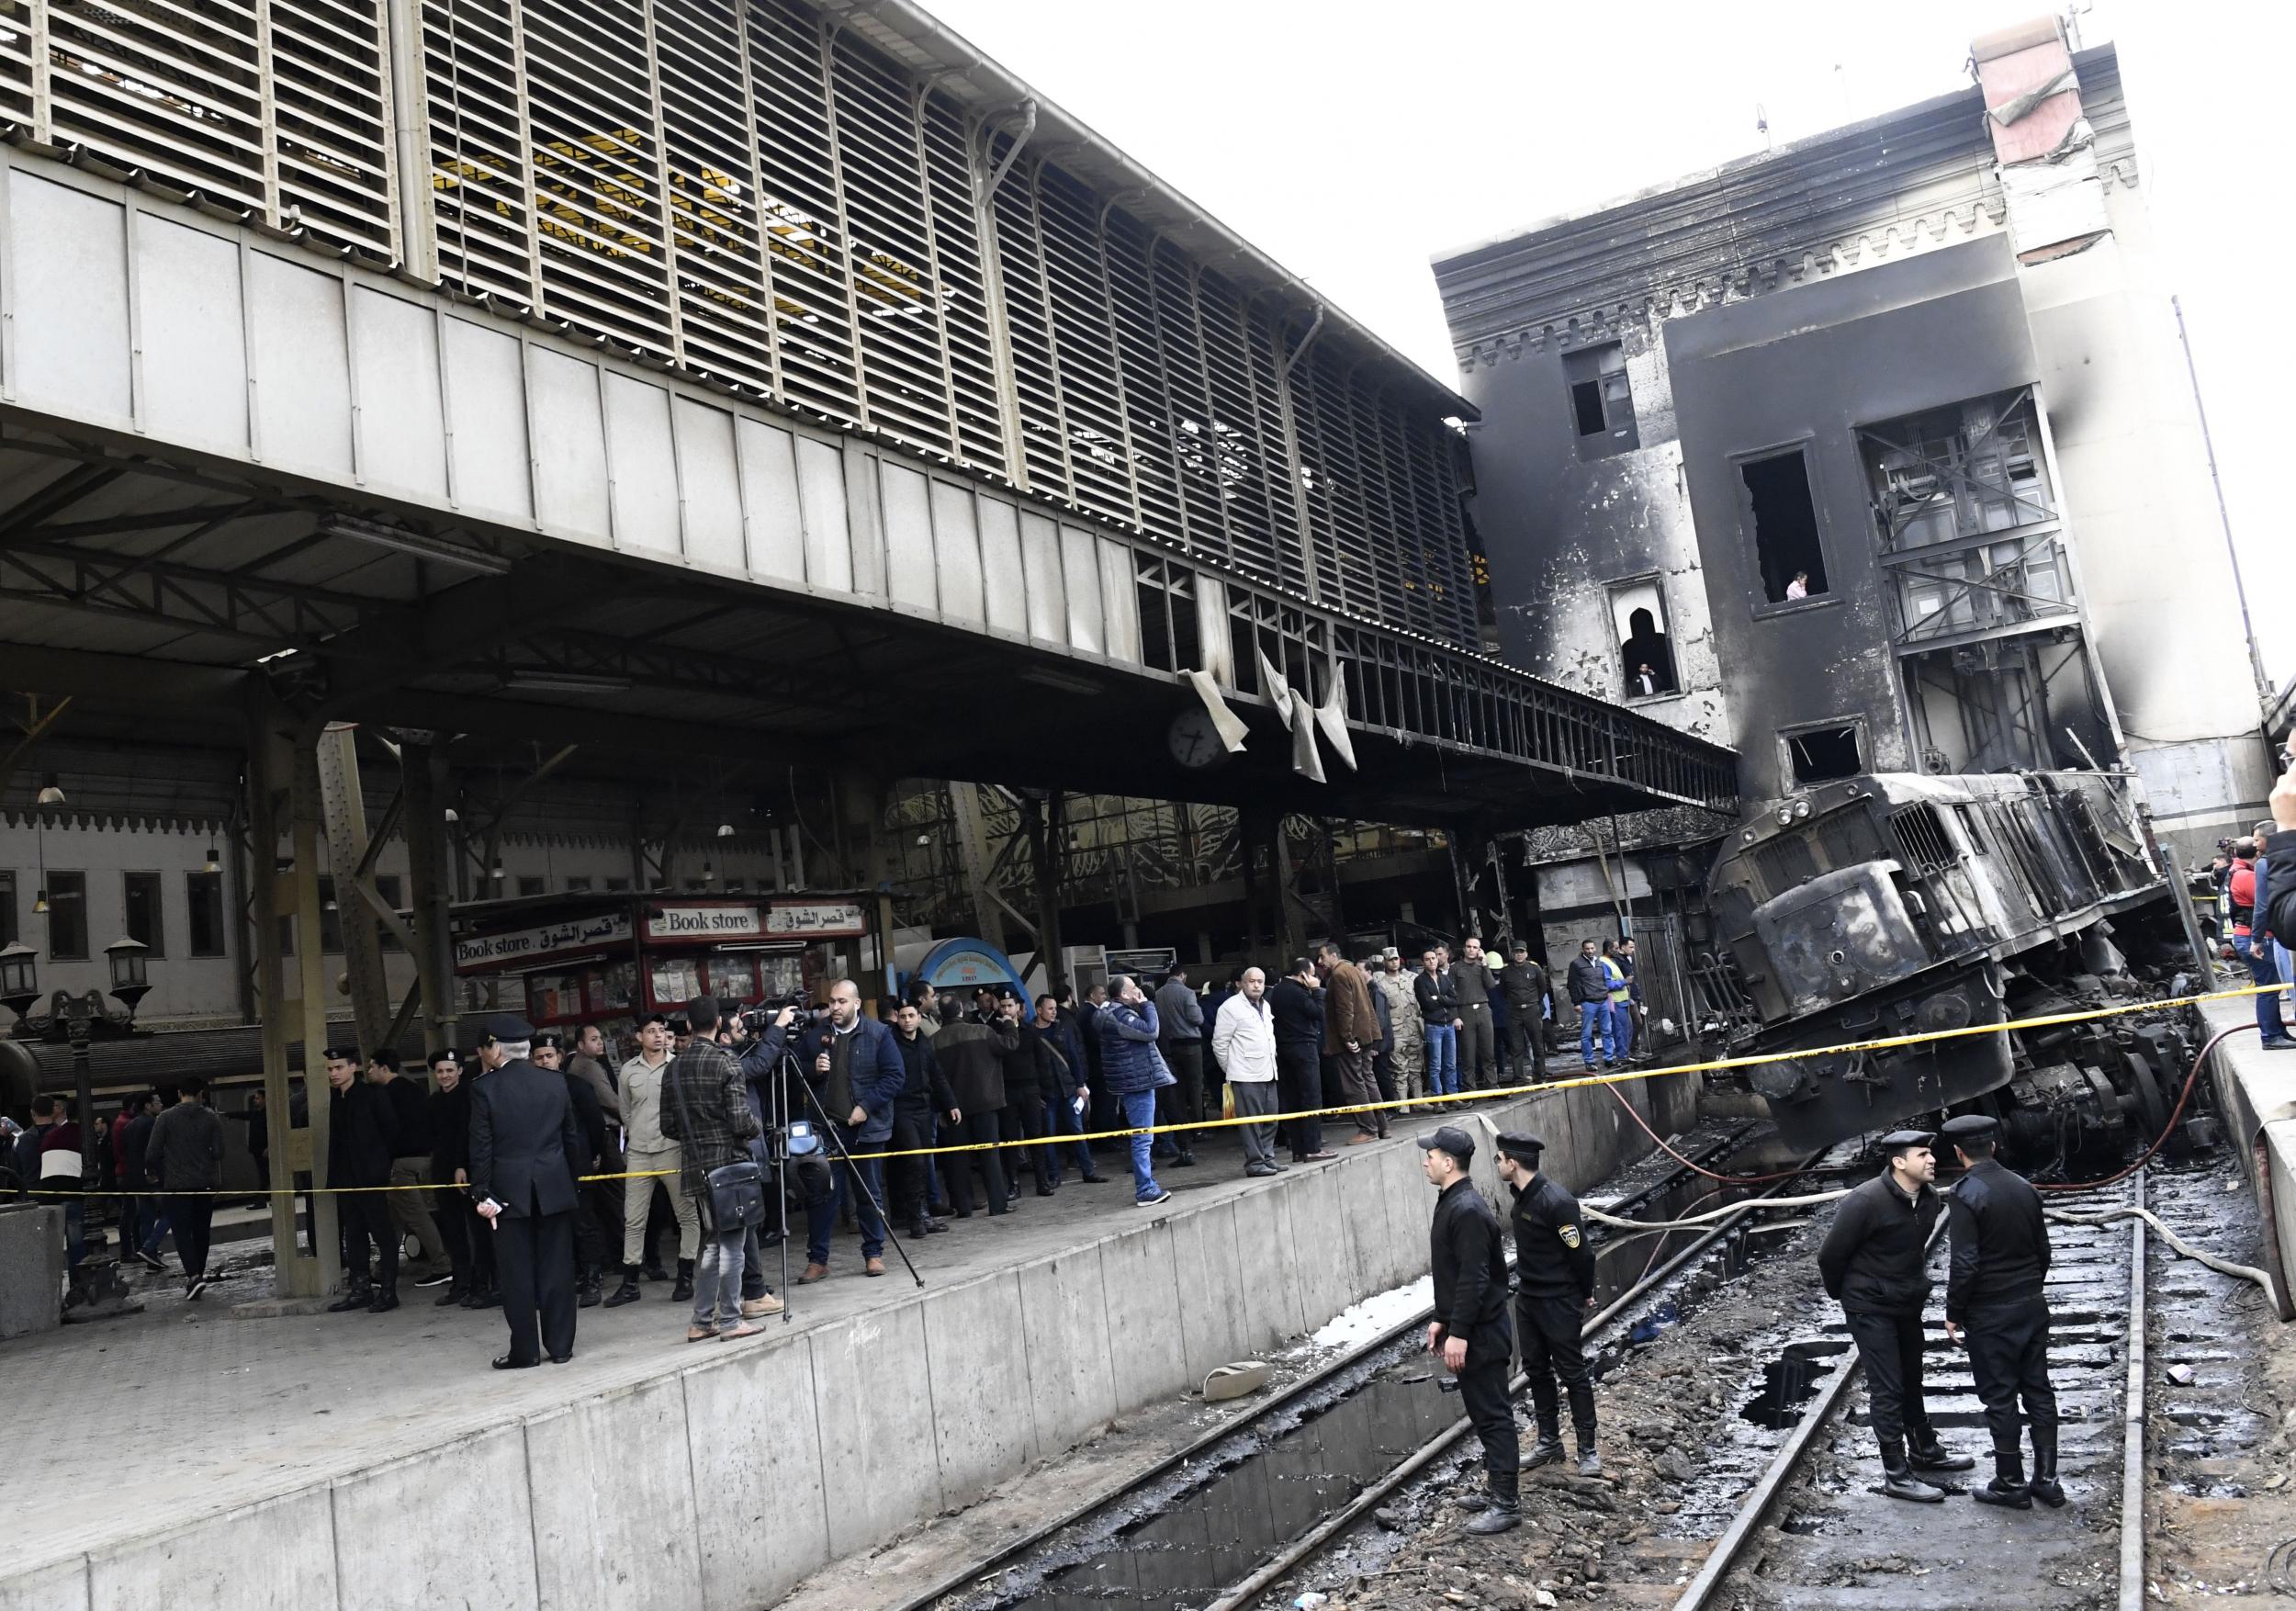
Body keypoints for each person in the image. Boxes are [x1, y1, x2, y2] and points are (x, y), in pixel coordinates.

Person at [1816, 1130, 1974, 1502]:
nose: (1932, 1160)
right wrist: (1849, 1296)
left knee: (1912, 1377)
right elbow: (1830, 1256)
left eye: (1931, 1153)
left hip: (1905, 1301)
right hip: (1869, 1305)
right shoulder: (1865, 1201)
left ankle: (1924, 1450)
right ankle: (1896, 1474)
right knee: (1888, 1388)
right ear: (1899, 1162)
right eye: (1923, 1154)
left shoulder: (1930, 1199)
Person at [1941, 1112, 2061, 1509]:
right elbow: (2043, 1250)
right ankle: (2047, 1480)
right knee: (2039, 1390)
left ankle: (2011, 1482)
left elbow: (1965, 1263)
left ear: (1960, 1153)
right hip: (2030, 1304)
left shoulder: (1964, 1193)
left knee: (2000, 1398)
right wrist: (2030, 1288)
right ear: (1992, 1146)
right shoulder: (2025, 1187)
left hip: (1990, 1313)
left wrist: (1954, 1311)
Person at [467, 1014, 583, 1368]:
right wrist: (571, 1183)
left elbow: (481, 1147)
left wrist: (480, 1193)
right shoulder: (556, 1083)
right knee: (558, 1269)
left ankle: (526, 1351)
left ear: (495, 1049)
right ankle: (561, 1346)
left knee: (516, 1275)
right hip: (554, 1186)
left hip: (508, 1193)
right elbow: (571, 1139)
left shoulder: (484, 1088)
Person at [1420, 1125, 1519, 1533]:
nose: (1425, 1161)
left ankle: (1507, 1503)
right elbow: (1455, 1273)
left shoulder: (1467, 1210)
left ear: (1449, 1163)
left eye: (1431, 1155)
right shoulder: (1453, 1202)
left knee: (1494, 1415)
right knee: (1483, 1413)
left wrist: (1458, 1332)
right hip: (1471, 1327)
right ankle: (1498, 1489)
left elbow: (1475, 1278)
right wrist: (1443, 1317)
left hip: (1482, 1332)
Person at [1491, 1132, 1600, 1476]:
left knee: (1572, 1372)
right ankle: (1549, 1442)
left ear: (1513, 1162)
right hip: (1530, 1299)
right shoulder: (1521, 1198)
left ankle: (1588, 1449)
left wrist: (1584, 1292)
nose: (1496, 1165)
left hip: (1558, 1300)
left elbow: (1581, 1253)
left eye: (1499, 1159)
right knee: (1536, 1370)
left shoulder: (1557, 1201)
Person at [796, 979, 906, 1281]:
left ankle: (874, 1253)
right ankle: (818, 1260)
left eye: (842, 1001)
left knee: (868, 1192)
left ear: (856, 1004)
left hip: (866, 1128)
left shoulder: (879, 1033)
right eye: (832, 1001)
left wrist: (866, 1107)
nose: (835, 1007)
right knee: (822, 1195)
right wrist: (811, 1070)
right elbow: (794, 1069)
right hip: (827, 1128)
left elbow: (895, 1076)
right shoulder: (816, 1035)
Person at [611, 1012, 699, 1304]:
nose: (658, 1035)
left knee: (686, 1215)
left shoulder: (678, 1065)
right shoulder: (627, 1071)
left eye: (661, 1030)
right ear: (639, 1037)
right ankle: (630, 1283)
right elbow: (625, 1112)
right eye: (651, 1031)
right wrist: (634, 1137)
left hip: (672, 1149)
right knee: (634, 1220)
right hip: (638, 1153)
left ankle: (685, 1278)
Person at [324, 1047, 400, 1314]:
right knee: (354, 1234)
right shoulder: (337, 1099)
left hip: (370, 1178)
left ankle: (388, 1291)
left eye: (339, 1068)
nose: (334, 1073)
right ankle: (361, 1289)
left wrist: (380, 1168)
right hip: (346, 1179)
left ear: (353, 1067)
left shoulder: (373, 1095)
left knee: (382, 1233)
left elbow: (391, 1132)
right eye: (331, 1069)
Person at [367, 1051, 448, 1287]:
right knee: (395, 1218)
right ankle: (385, 1269)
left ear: (384, 1069)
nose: (369, 1070)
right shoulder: (413, 1089)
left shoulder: (386, 1094)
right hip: (422, 1158)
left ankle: (442, 1265)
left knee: (415, 1215)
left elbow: (387, 1130)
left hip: (400, 1162)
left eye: (372, 1066)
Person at [933, 999, 1018, 1216]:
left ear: (941, 1015)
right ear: (961, 1010)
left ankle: (963, 1207)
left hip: (953, 1108)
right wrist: (1009, 1022)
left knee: (958, 1158)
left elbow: (931, 1078)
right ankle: (998, 1204)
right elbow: (1009, 1044)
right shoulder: (983, 1031)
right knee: (990, 1155)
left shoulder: (933, 1041)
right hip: (985, 1102)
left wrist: (939, 1108)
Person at [423, 1049, 492, 1309]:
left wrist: (462, 1165)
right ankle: (460, 1283)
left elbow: (469, 1134)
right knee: (452, 1230)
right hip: (442, 1171)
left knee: (477, 1229)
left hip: (469, 1171)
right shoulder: (433, 1102)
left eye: (450, 1070)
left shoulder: (470, 1096)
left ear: (460, 1071)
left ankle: (481, 1285)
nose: (444, 1076)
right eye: (440, 1071)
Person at [1097, 974, 1173, 1207]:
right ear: (1123, 994)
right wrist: (1146, 1004)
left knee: (1142, 1136)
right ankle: (1145, 1189)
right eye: (1133, 988)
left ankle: (1147, 1182)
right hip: (1137, 1081)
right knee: (1143, 1137)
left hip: (1130, 1079)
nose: (1138, 990)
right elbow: (1151, 1031)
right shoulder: (1121, 1015)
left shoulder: (1106, 1013)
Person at [145, 1077, 225, 1298]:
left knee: (182, 1232)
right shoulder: (211, 1118)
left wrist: (161, 1169)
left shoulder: (165, 1118)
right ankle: (198, 1273)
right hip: (204, 1184)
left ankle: (193, 1276)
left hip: (176, 1184)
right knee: (201, 1231)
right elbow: (219, 1152)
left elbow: (152, 1153)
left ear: (180, 1092)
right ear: (201, 1093)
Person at [888, 1000, 960, 1236]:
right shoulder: (890, 1043)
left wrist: (951, 1104)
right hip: (901, 1109)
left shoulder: (925, 1043)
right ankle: (917, 1218)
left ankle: (919, 1215)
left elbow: (937, 1075)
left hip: (924, 1108)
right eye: (903, 1016)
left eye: (911, 1016)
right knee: (915, 1162)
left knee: (922, 1163)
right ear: (897, 1018)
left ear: (919, 1018)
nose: (907, 1020)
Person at [1213, 967, 1283, 1177]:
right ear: (1242, 983)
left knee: (1272, 1119)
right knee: (1251, 1123)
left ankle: (1268, 1158)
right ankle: (1255, 1163)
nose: (1256, 985)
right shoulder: (1230, 1007)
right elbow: (1220, 1043)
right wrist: (1233, 1069)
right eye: (1252, 981)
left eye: (1260, 982)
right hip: (1245, 1076)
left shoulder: (1266, 1005)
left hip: (1269, 1072)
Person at [1318, 941, 1386, 1143]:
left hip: (1352, 1038)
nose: (1320, 961)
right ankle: (1382, 1126)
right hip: (1366, 1034)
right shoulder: (1354, 971)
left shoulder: (1338, 975)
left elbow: (1344, 1009)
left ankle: (1368, 1129)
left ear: (1333, 955)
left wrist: (1347, 1037)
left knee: (1354, 1084)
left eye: (1322, 956)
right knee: (1368, 1079)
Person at [1267, 958, 1332, 1164]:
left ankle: (1297, 1149)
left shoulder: (1276, 991)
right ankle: (1313, 1147)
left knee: (1292, 1099)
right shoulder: (1300, 991)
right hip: (1304, 1046)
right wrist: (1317, 990)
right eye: (1312, 974)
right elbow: (1319, 1013)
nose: (1314, 978)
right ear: (1304, 974)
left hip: (1283, 1048)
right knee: (1311, 1096)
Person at [1034, 993, 1103, 1186]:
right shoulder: (1031, 1033)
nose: (1054, 1011)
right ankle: (1054, 1176)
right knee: (1049, 1136)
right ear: (1039, 1010)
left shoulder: (1063, 1028)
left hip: (1069, 1088)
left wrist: (1080, 1085)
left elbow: (1074, 1057)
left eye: (1055, 1007)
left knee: (1078, 1131)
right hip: (1047, 1092)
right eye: (1050, 1008)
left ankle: (1088, 1171)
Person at [1154, 967, 1207, 1168]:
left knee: (1176, 1091)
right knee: (1195, 1087)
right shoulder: (1187, 993)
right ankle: (1198, 1129)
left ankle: (1181, 1128)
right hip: (1190, 1045)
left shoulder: (1158, 995)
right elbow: (1197, 1018)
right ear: (1183, 975)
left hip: (1169, 1047)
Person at [1375, 951, 1424, 1114]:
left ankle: (1418, 1101)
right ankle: (1403, 1103)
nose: (1394, 963)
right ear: (1385, 962)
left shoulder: (1410, 981)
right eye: (1390, 960)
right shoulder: (1381, 985)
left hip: (1414, 1029)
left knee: (1416, 1067)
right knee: (1399, 1068)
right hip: (1396, 1033)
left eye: (1396, 959)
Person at [1452, 937, 1500, 1091]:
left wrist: (1485, 963)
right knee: (1468, 1054)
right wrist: (1455, 1016)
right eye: (1468, 946)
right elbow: (1450, 994)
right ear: (1464, 948)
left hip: (1483, 1009)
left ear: (1479, 950)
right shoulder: (1455, 968)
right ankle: (1470, 1090)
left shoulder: (1482, 966)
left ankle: (1492, 1086)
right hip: (1465, 1010)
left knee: (1488, 1052)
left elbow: (1491, 985)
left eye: (1475, 947)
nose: (1471, 949)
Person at [1497, 943, 1549, 1083]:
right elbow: (1503, 991)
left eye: (1522, 952)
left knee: (1537, 1044)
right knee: (1516, 1046)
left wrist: (1535, 1003)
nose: (1519, 954)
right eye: (1516, 952)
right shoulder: (1506, 971)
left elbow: (1542, 988)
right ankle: (1519, 1076)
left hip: (1532, 1010)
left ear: (1526, 953)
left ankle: (1540, 1074)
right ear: (1512, 954)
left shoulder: (1534, 968)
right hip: (1514, 1011)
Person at [1412, 949, 1460, 1100]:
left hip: (1449, 1025)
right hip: (1433, 1026)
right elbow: (1427, 1003)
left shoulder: (1444, 978)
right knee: (1435, 1065)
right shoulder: (1420, 980)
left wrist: (1438, 997)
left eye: (1433, 958)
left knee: (1451, 1064)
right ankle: (1438, 1098)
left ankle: (1453, 1096)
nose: (1432, 961)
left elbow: (1454, 1000)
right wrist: (1444, 999)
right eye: (1428, 959)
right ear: (1423, 962)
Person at [1566, 940, 1612, 1072]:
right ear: (1583, 949)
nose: (1590, 951)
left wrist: (1606, 992)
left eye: (1592, 948)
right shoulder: (1576, 964)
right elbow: (1572, 984)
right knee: (1586, 1034)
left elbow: (1604, 979)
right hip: (1588, 1002)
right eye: (1587, 949)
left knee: (1607, 1031)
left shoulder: (1599, 962)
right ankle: (1589, 1061)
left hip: (1603, 1000)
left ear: (1595, 948)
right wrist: (1577, 1002)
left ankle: (1609, 1058)